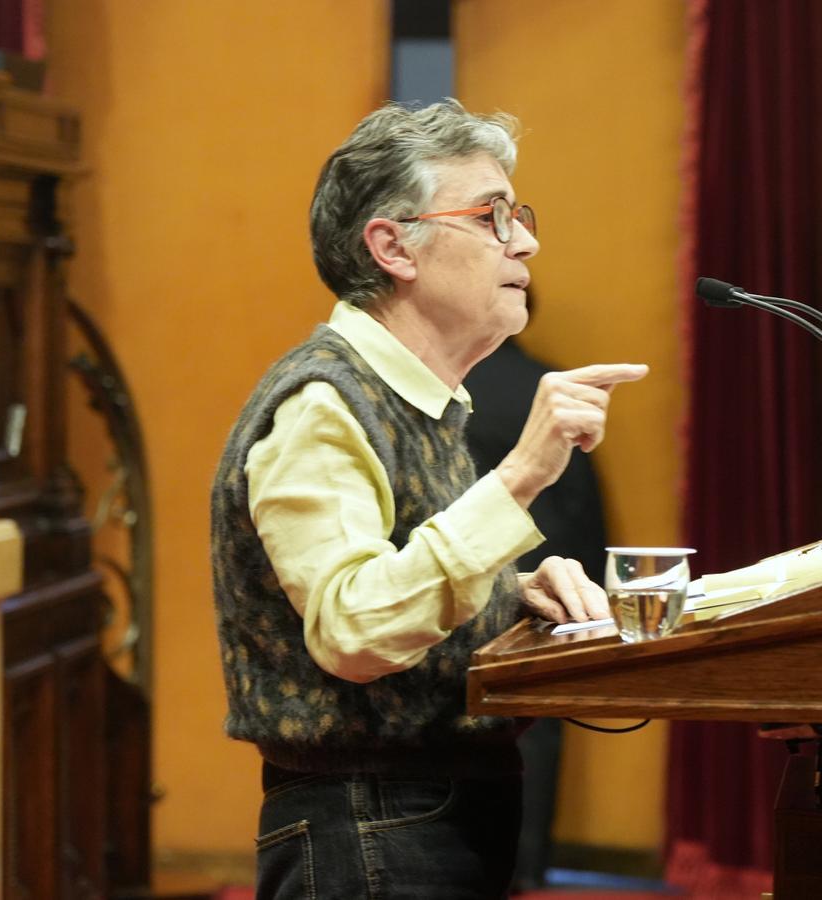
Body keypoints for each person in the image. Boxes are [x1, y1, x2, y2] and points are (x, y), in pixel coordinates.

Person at [210, 99, 646, 899]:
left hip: (422, 814)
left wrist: (510, 591)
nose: (525, 241)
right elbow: (353, 629)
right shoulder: (322, 404)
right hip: (368, 825)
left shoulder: (418, 396)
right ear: (392, 247)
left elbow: (396, 576)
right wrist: (521, 476)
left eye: (519, 215)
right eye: (491, 216)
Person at [462, 289, 610, 891]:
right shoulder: (548, 392)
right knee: (537, 735)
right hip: (550, 589)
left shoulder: (437, 392)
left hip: (450, 584)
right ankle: (529, 869)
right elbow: (582, 504)